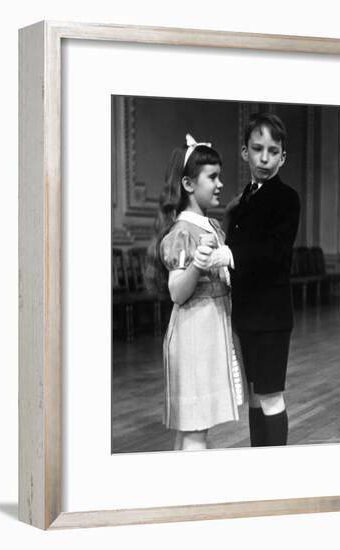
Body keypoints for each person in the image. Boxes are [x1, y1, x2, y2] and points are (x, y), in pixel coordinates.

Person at [146, 134, 243, 451]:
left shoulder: (211, 227)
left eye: (219, 176)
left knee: (195, 428)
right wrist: (198, 264)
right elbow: (177, 292)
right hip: (193, 335)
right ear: (188, 184)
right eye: (212, 177)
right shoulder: (183, 232)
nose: (219, 184)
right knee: (195, 430)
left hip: (211, 330)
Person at [213, 113, 300, 447]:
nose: (265, 158)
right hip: (244, 314)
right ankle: (258, 466)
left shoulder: (286, 198)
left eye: (273, 151)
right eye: (258, 148)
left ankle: (276, 475)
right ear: (245, 151)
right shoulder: (243, 199)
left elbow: (276, 252)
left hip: (271, 317)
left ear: (283, 156)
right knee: (252, 397)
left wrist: (231, 256)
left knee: (270, 397)